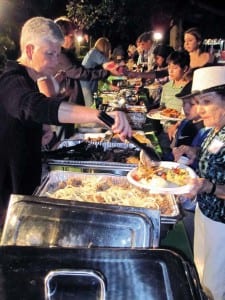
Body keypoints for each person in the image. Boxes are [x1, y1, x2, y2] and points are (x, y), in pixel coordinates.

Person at [0, 16, 132, 217]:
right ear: (29, 50)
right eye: (50, 54)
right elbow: (35, 106)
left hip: (26, 186)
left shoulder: (30, 80)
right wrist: (100, 116)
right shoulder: (11, 81)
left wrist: (44, 134)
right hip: (8, 199)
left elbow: (32, 120)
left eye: (58, 54)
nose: (56, 62)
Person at [172, 66, 225, 300]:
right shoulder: (216, 129)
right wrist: (194, 151)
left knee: (216, 285)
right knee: (202, 273)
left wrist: (208, 187)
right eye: (197, 102)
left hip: (222, 224)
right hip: (204, 212)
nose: (200, 110)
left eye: (207, 101)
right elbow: (213, 154)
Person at [80, 37, 112, 106]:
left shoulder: (94, 53)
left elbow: (99, 72)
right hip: (85, 85)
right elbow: (109, 65)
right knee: (90, 105)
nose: (109, 51)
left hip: (89, 83)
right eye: (108, 49)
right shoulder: (95, 53)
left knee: (95, 104)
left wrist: (109, 84)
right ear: (105, 47)